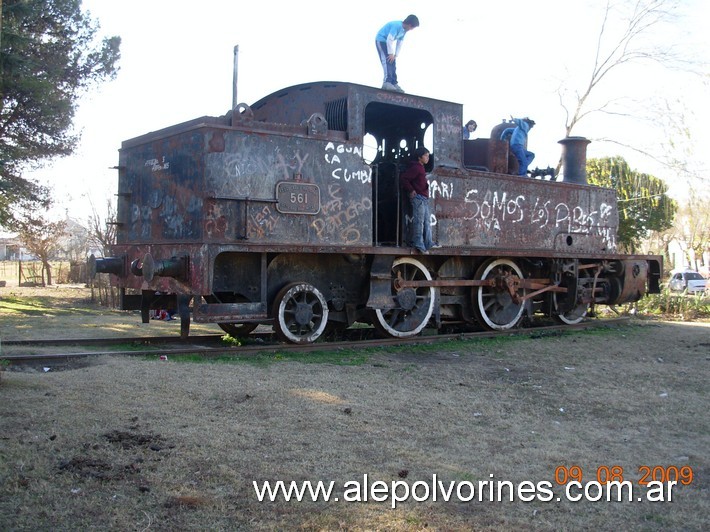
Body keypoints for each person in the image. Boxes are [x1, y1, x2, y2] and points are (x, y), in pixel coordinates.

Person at [400, 147, 439, 254]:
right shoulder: (416, 168)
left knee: (426, 221)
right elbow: (404, 178)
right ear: (419, 157)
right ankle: (418, 243)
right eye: (425, 155)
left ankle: (428, 242)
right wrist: (411, 190)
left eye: (428, 155)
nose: (428, 158)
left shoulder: (420, 167)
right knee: (419, 221)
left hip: (424, 198)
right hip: (419, 198)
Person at [375, 15, 420, 93]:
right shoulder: (397, 26)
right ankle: (386, 82)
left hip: (387, 43)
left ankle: (393, 82)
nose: (411, 29)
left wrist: (395, 55)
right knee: (387, 60)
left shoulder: (404, 31)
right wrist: (390, 53)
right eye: (412, 27)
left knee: (393, 61)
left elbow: (400, 42)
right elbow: (389, 39)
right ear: (410, 25)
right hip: (381, 40)